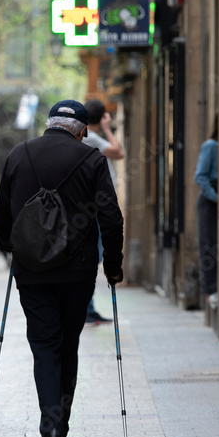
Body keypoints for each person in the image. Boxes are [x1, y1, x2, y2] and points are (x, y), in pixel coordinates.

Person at [0, 99, 124, 437]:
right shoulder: (92, 159)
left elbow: (0, 216)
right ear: (82, 131)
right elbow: (111, 217)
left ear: (49, 124)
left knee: (44, 346)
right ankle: (59, 430)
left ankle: (50, 429)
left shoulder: (19, 154)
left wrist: (13, 250)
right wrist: (113, 265)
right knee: (67, 346)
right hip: (77, 272)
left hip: (32, 273)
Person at [81, 99, 125, 325]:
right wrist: (108, 128)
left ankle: (87, 308)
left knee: (93, 257)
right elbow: (119, 152)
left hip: (94, 206)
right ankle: (86, 309)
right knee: (94, 257)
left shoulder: (86, 136)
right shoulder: (90, 136)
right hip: (97, 208)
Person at [194, 114, 219, 305]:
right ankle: (211, 290)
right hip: (209, 202)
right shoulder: (211, 146)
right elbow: (200, 176)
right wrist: (217, 198)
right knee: (208, 243)